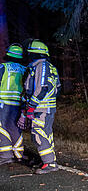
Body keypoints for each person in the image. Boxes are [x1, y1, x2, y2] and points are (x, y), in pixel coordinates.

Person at [21, 40, 61, 173]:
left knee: (39, 134)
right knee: (45, 133)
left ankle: (50, 163)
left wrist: (31, 106)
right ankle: (48, 160)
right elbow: (58, 88)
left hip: (41, 108)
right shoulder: (50, 67)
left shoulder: (41, 66)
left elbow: (41, 87)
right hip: (46, 107)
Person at [0, 44, 26, 165]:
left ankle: (6, 155)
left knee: (2, 127)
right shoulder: (24, 69)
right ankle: (18, 154)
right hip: (18, 104)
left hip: (4, 103)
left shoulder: (3, 67)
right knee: (15, 127)